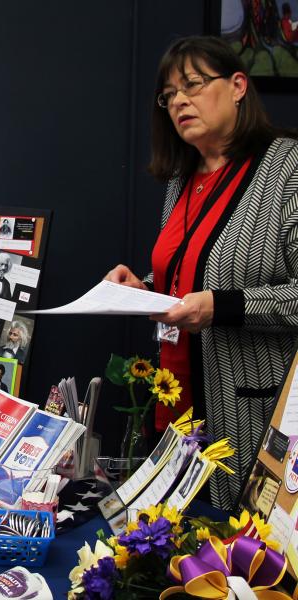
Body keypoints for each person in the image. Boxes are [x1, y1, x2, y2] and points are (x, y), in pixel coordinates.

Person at [104, 36, 298, 510]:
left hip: (252, 411)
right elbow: (187, 278)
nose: (179, 102)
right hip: (177, 410)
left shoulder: (288, 168)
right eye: (168, 95)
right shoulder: (181, 180)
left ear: (237, 86)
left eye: (192, 85)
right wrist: (143, 290)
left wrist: (222, 307)